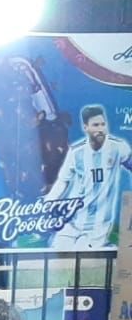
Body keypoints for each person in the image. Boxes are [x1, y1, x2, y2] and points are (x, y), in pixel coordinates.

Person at [44, 103, 132, 249]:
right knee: (57, 248)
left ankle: (109, 248)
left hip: (99, 224)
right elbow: (63, 181)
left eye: (103, 124)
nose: (101, 129)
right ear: (86, 127)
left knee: (81, 251)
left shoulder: (118, 147)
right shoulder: (76, 152)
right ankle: (108, 248)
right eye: (96, 125)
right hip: (74, 220)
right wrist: (48, 203)